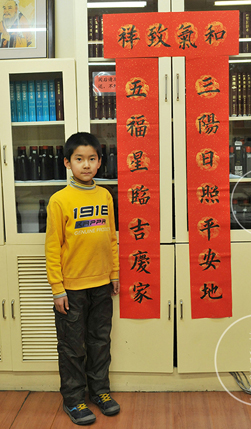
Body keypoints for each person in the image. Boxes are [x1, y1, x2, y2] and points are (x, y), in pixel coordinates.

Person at [45, 132, 121, 425]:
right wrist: (57, 288)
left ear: (100, 162)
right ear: (67, 162)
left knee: (100, 342)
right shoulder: (59, 200)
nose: (86, 165)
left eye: (92, 159)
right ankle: (74, 399)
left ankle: (100, 392)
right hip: (72, 290)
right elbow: (52, 247)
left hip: (101, 285)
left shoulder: (105, 196)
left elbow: (111, 238)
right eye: (79, 159)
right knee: (72, 347)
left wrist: (114, 274)